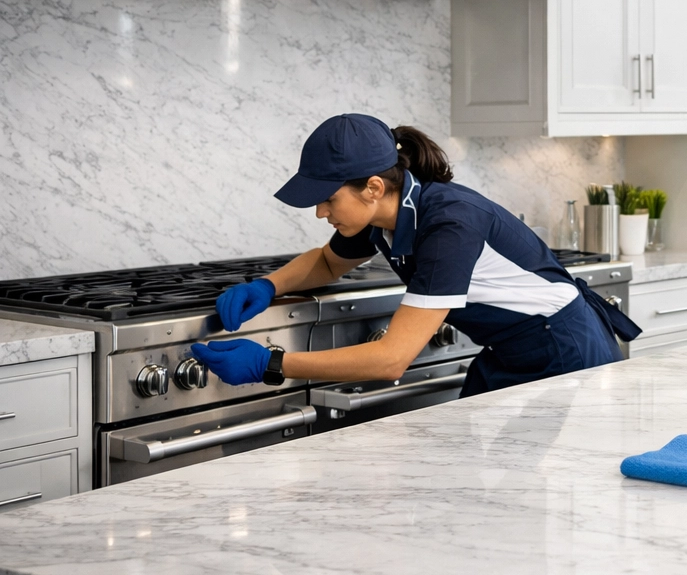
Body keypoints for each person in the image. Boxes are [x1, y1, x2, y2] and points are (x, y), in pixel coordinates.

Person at [191, 115, 638, 396]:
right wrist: (269, 285)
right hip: (510, 352)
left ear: (373, 188)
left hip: (564, 355)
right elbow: (329, 263)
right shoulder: (384, 213)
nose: (319, 212)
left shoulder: (449, 225)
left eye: (327, 200)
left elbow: (391, 360)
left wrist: (268, 363)